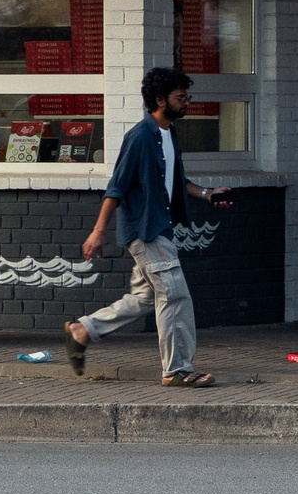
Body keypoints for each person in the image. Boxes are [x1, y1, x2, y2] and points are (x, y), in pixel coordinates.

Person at [65, 66, 231, 387]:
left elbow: (175, 181)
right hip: (146, 230)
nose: (187, 103)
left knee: (145, 298)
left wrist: (209, 194)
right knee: (175, 296)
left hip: (160, 227)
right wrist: (98, 230)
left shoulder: (167, 134)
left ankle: (83, 331)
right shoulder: (140, 138)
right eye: (180, 98)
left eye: (187, 97)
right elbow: (117, 187)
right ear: (159, 100)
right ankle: (177, 369)